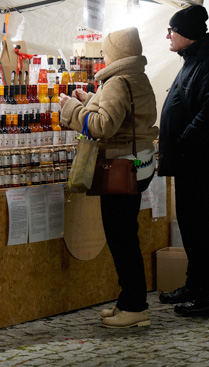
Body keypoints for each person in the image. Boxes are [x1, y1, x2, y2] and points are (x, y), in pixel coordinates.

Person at [59, 27, 159, 329]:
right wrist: (91, 98)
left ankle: (135, 306)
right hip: (140, 163)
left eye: (106, 51)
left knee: (121, 239)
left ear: (115, 53)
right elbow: (124, 115)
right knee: (125, 235)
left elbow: (103, 126)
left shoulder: (117, 81)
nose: (104, 55)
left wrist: (73, 109)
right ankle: (128, 300)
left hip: (120, 167)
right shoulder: (136, 78)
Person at [157, 5, 209, 317]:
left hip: (199, 158)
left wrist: (183, 141)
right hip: (188, 158)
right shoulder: (195, 58)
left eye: (172, 30)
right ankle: (195, 284)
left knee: (200, 225)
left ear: (187, 33)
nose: (168, 35)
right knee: (190, 224)